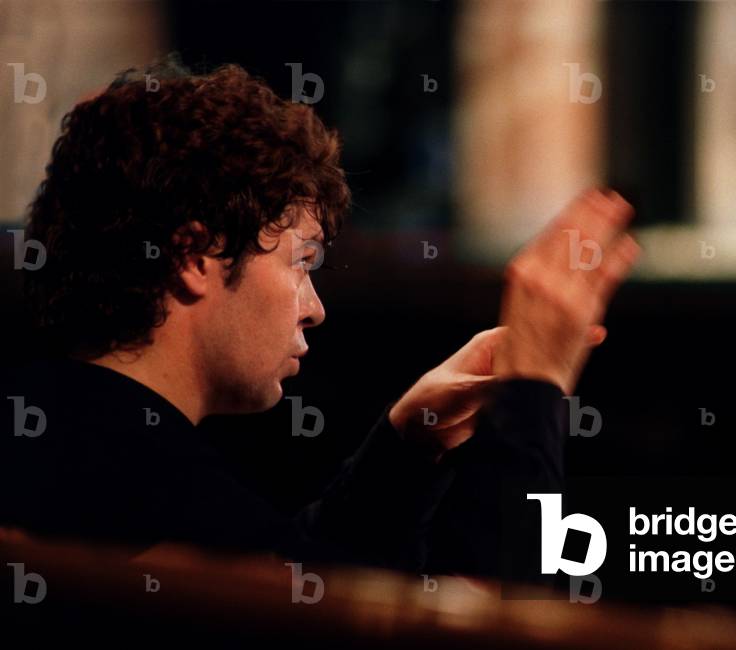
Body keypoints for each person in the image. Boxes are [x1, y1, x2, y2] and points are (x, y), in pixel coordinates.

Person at [0, 57, 640, 573]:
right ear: (193, 256)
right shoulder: (179, 518)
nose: (316, 310)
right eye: (302, 263)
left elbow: (307, 582)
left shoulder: (53, 443)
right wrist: (534, 394)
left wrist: (403, 447)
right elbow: (504, 634)